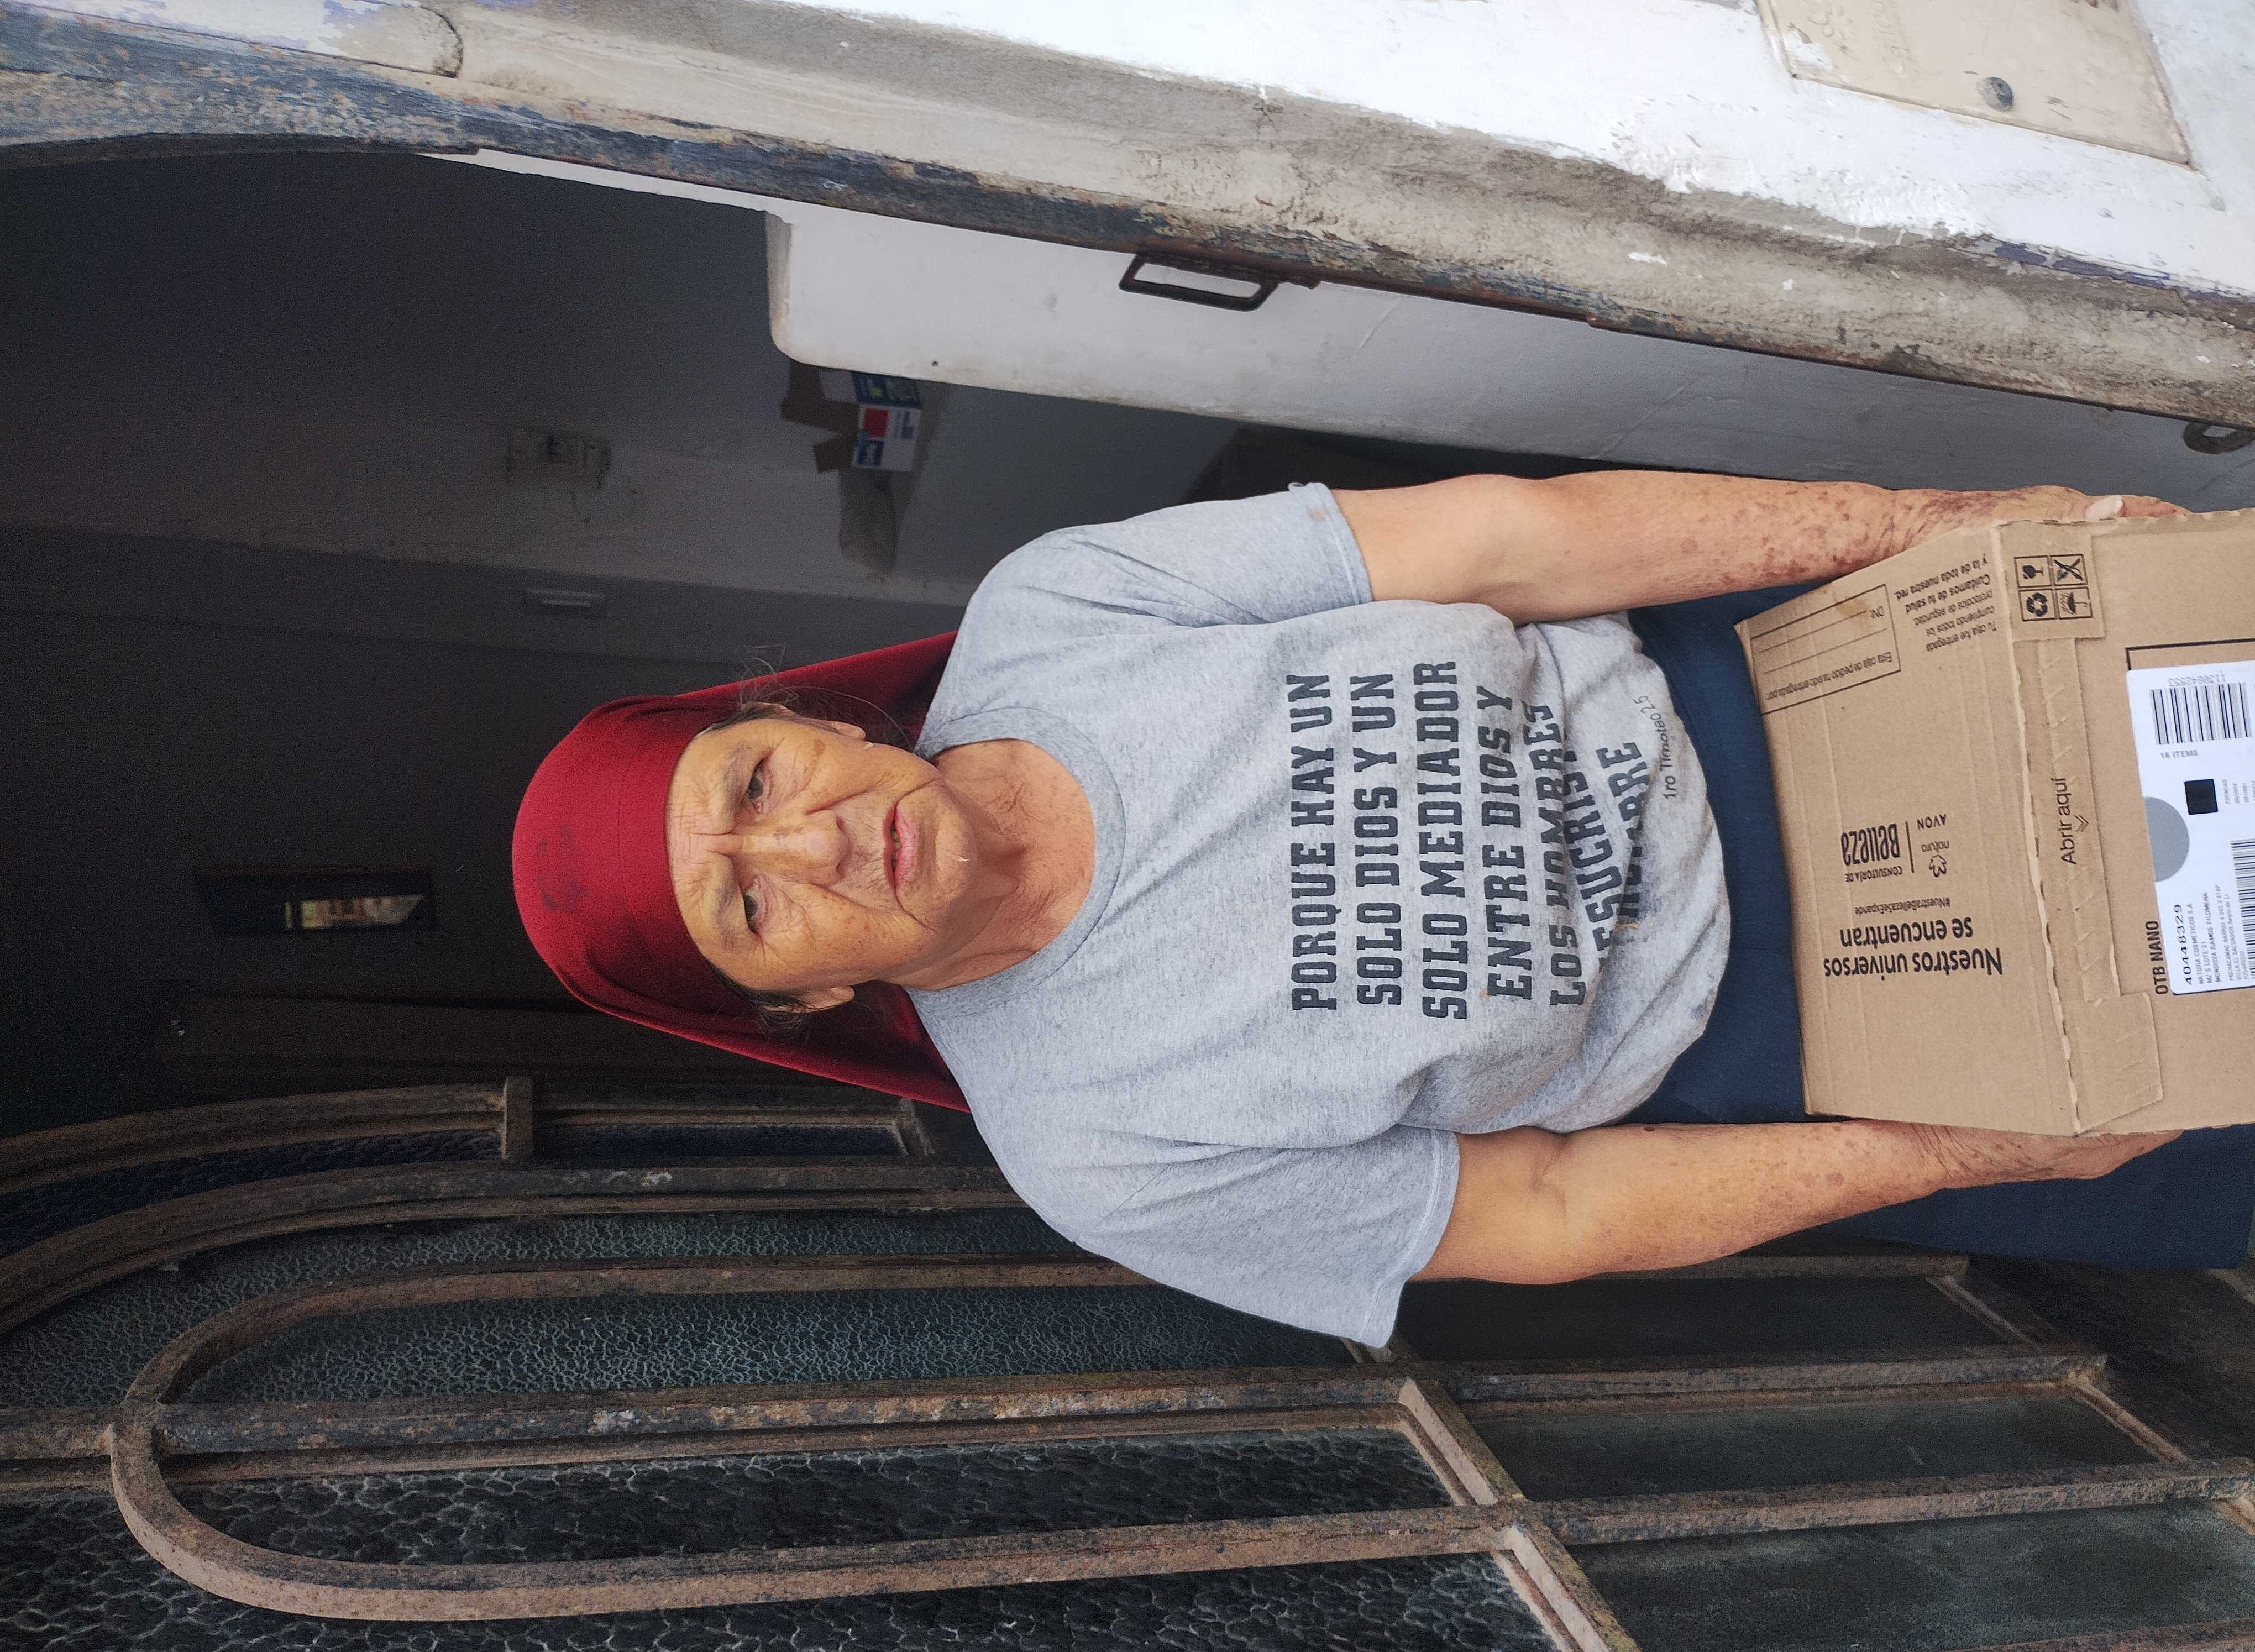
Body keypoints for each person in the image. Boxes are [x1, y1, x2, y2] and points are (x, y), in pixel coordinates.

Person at [514, 471, 2254, 1345]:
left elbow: (1518, 543)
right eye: (752, 913)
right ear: (803, 1004)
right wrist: (1971, 1149)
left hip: (1805, 690)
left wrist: (1948, 526)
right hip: (1832, 1041)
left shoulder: (1063, 613)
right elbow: (1552, 1208)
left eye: (756, 787)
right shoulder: (1095, 1151)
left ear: (802, 722)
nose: (812, 847)